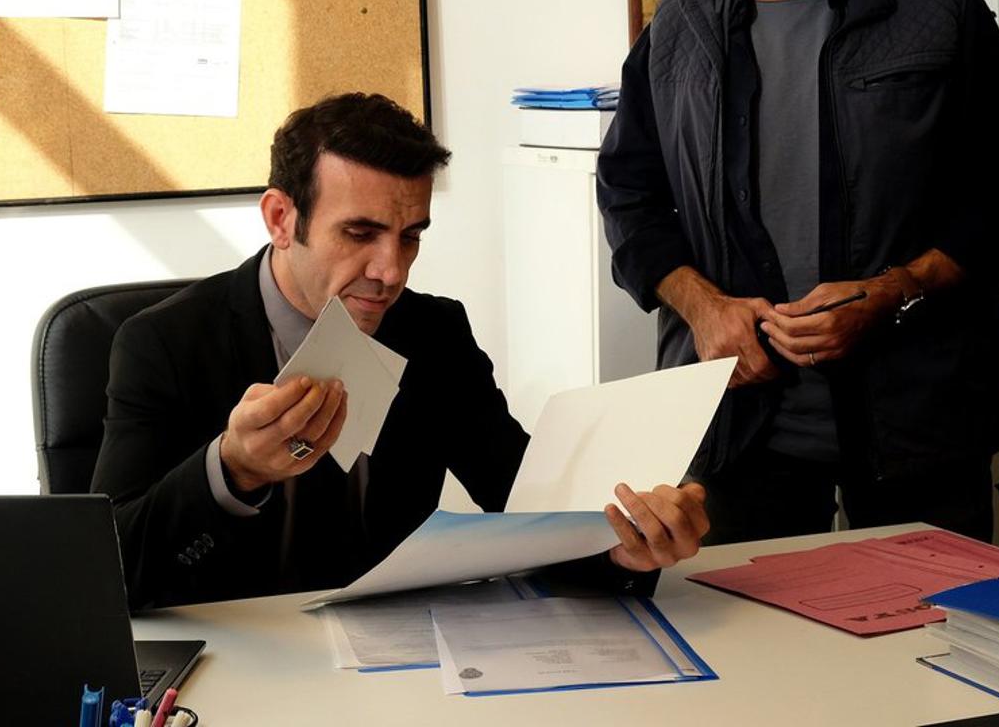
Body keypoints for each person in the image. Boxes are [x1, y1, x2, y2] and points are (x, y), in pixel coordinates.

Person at [597, 0, 999, 545]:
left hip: (919, 419)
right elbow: (630, 197)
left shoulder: (939, 11)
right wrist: (702, 307)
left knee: (930, 622)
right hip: (735, 420)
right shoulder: (680, 27)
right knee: (740, 624)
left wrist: (895, 291)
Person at [92, 93, 708, 609]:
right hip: (241, 661)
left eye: (410, 237)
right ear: (281, 219)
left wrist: (625, 545)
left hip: (399, 660)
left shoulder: (434, 332)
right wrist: (233, 471)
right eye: (359, 233)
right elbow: (108, 570)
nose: (390, 272)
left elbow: (528, 509)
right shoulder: (162, 343)